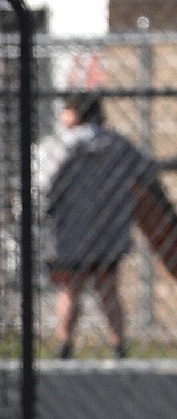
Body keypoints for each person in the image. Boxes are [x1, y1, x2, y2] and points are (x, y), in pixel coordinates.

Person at [38, 93, 154, 359]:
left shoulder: (62, 144)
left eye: (66, 111)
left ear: (76, 113)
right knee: (108, 287)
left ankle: (64, 345)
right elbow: (145, 171)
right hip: (109, 228)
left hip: (70, 228)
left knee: (70, 288)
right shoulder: (119, 144)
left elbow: (44, 182)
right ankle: (118, 346)